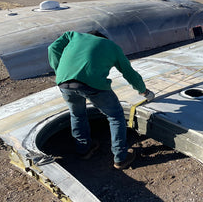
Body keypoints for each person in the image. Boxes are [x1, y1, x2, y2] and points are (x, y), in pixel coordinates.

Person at [47, 31, 155, 169]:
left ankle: (84, 149)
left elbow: (52, 48)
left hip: (64, 83)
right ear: (103, 38)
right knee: (115, 116)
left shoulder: (73, 36)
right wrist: (143, 91)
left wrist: (60, 71)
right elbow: (129, 73)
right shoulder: (111, 46)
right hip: (92, 84)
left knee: (77, 114)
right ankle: (121, 157)